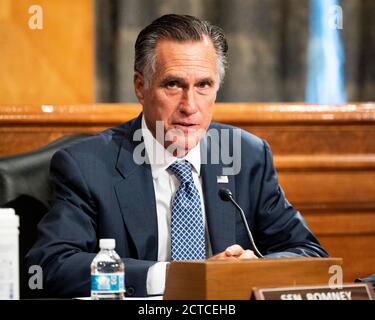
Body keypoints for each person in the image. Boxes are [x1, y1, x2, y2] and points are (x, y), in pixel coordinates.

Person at [26, 14, 328, 298]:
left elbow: (309, 254)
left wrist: (253, 269)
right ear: (140, 87)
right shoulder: (87, 166)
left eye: (204, 85)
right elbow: (51, 266)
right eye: (173, 84)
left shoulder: (247, 157)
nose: (190, 105)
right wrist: (175, 276)